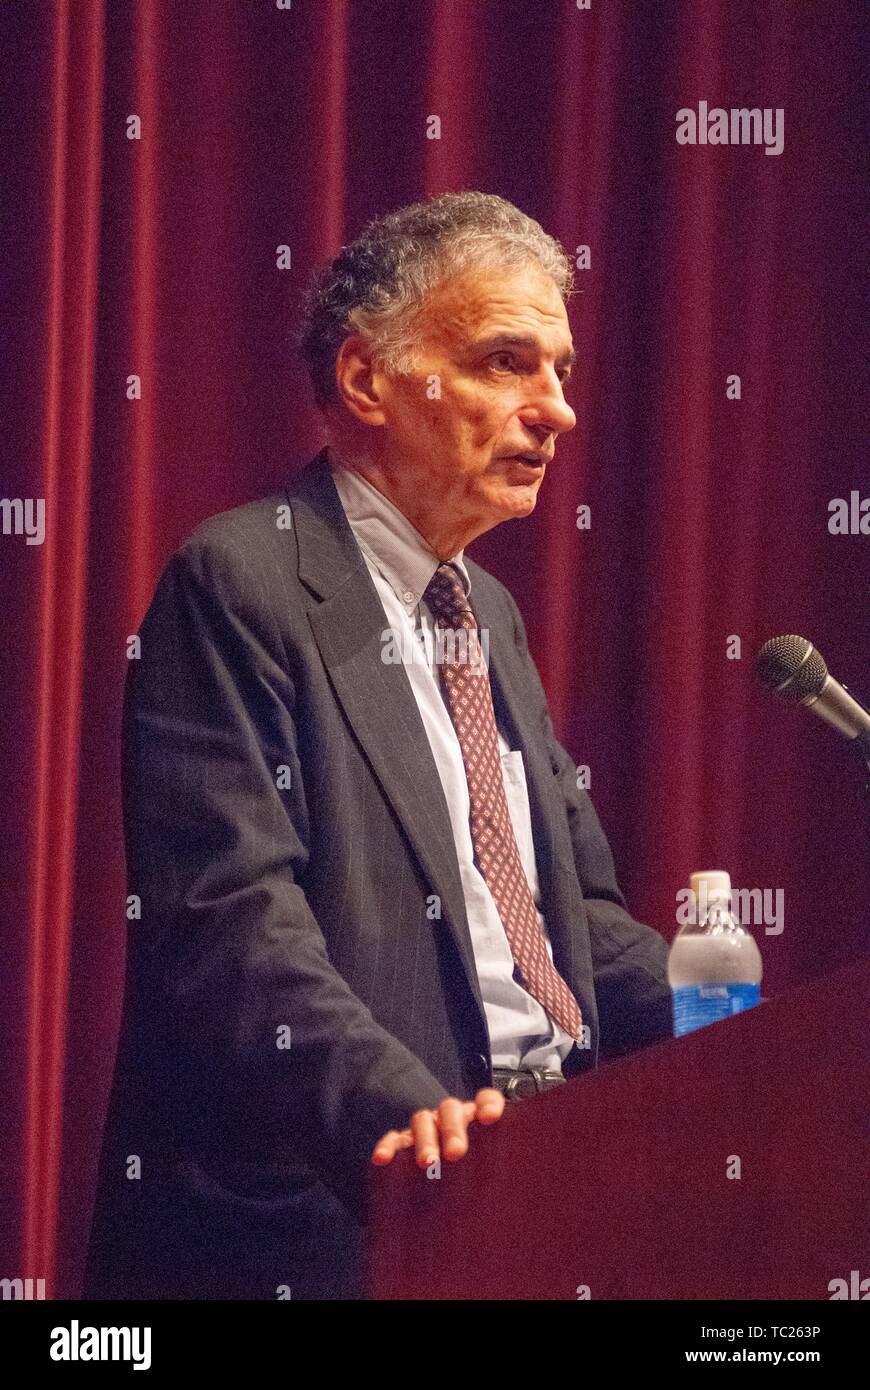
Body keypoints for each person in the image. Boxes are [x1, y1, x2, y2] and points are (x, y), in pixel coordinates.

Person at [84, 191, 672, 1302]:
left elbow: (570, 920)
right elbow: (232, 926)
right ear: (367, 381)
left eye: (561, 369)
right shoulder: (244, 579)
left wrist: (743, 1021)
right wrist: (410, 1119)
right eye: (508, 362)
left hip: (542, 1184)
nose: (558, 411)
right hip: (338, 1214)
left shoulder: (485, 611)